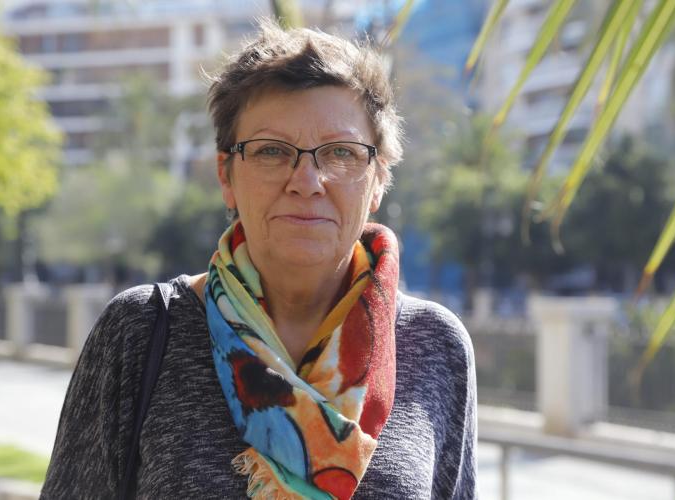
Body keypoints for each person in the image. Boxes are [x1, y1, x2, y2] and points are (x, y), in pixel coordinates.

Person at [41, 20, 477, 500]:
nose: (306, 181)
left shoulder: (436, 345)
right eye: (272, 151)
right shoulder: (140, 332)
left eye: (340, 152)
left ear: (378, 180)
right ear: (226, 175)